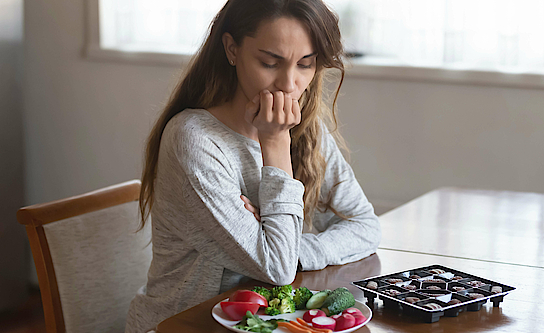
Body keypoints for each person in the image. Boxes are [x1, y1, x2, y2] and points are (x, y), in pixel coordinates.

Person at [125, 0, 381, 332]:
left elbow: (364, 225)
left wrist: (294, 249)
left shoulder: (305, 128)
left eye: (306, 64)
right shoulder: (194, 140)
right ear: (232, 49)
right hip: (184, 325)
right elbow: (277, 268)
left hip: (267, 325)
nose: (289, 85)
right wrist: (274, 143)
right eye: (270, 62)